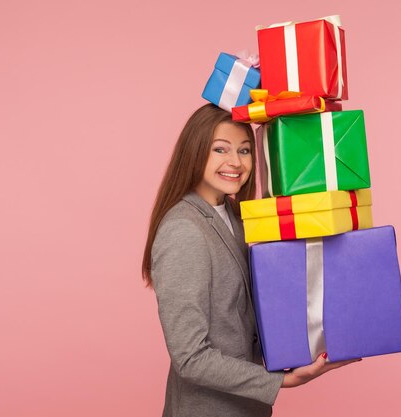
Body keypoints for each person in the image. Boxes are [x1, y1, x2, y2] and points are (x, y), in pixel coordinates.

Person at [142, 104, 360, 417]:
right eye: (221, 149)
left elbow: (247, 315)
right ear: (194, 152)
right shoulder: (183, 230)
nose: (235, 162)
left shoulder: (235, 216)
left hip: (247, 409)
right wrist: (280, 381)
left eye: (245, 150)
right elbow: (190, 357)